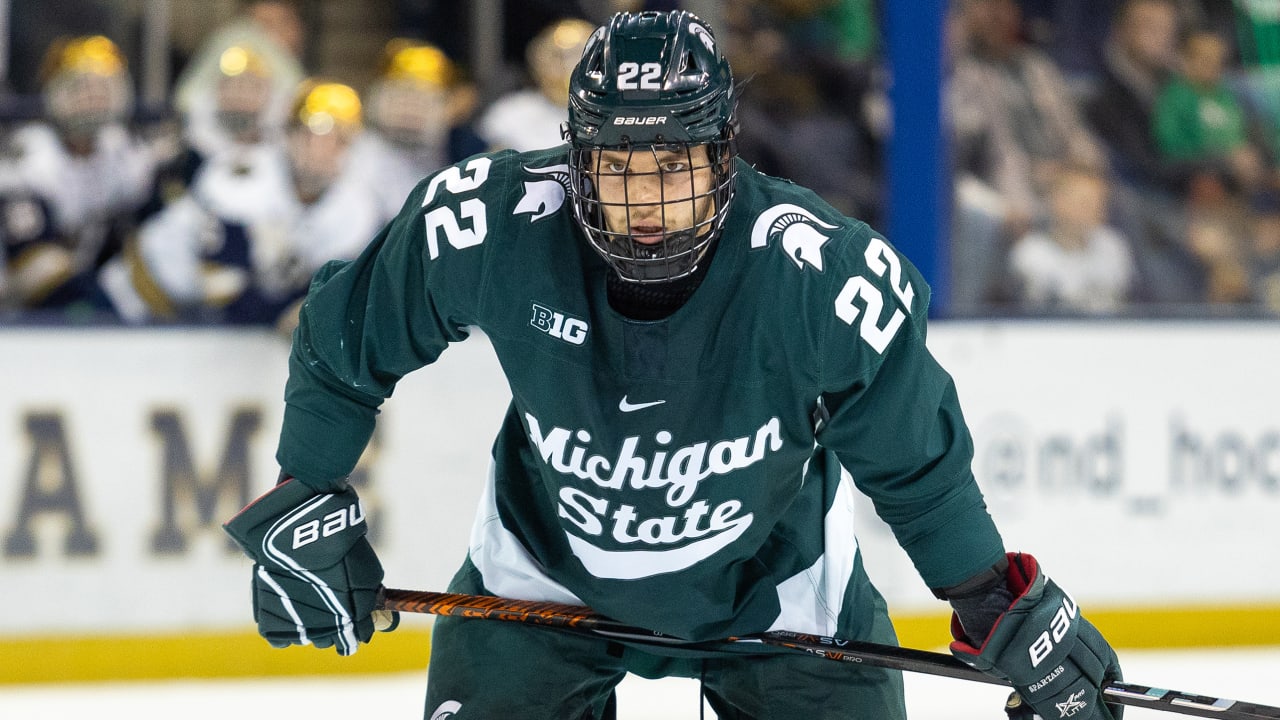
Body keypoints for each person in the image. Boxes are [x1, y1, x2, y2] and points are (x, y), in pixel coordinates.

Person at [222, 11, 1123, 720]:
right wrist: (308, 497)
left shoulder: (817, 275)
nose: (643, 201)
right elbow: (345, 340)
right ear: (574, 157)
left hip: (780, 599)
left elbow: (916, 469)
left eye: (673, 166)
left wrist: (992, 603)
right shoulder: (493, 221)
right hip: (539, 579)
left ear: (723, 156)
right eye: (615, 166)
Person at [1009, 163, 1137, 313]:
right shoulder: (1030, 255)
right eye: (1085, 202)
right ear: (1058, 202)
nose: (1095, 210)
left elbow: (1127, 306)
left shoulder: (1113, 246)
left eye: (1100, 203)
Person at [475, 17, 596, 152]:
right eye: (557, 57)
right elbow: (495, 167)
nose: (567, 66)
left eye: (578, 55)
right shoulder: (511, 113)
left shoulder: (612, 114)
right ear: (539, 61)